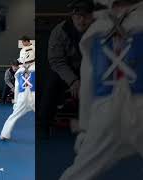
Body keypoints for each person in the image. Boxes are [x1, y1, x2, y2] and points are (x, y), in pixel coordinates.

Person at [60, 0, 143, 179]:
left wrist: (84, 128)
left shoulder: (98, 29)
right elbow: (89, 79)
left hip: (125, 106)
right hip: (108, 108)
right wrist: (84, 128)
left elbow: (88, 81)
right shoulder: (96, 29)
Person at [38, 0, 95, 139]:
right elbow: (56, 61)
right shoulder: (60, 31)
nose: (82, 20)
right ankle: (43, 126)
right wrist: (73, 80)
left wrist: (87, 79)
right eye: (78, 16)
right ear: (72, 16)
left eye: (86, 16)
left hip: (92, 70)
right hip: (66, 71)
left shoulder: (100, 30)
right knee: (51, 84)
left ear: (92, 16)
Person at [0, 45, 35, 140]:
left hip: (22, 97)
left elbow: (17, 88)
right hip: (34, 96)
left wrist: (16, 101)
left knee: (13, 116)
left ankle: (4, 134)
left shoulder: (19, 71)